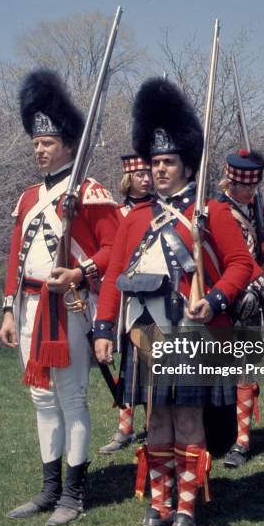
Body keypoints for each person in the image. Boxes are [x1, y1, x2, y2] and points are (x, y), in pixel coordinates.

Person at [93, 77, 258, 526]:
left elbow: (242, 265)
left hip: (189, 330)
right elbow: (111, 278)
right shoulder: (135, 218)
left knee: (188, 421)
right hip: (144, 333)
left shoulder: (211, 213)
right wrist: (105, 328)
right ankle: (157, 507)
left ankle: (186, 511)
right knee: (156, 423)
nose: (159, 170)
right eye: (154, 162)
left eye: (167, 162)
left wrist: (218, 299)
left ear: (187, 165)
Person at [0, 69, 118, 526]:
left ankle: (74, 493)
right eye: (35, 143)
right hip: (29, 310)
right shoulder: (28, 197)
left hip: (68, 308)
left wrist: (80, 271)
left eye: (47, 143)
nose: (39, 150)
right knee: (42, 401)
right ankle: (48, 490)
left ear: (68, 144)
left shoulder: (90, 192)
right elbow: (15, 258)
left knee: (71, 399)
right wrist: (9, 309)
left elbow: (113, 250)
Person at [217, 148, 264, 467]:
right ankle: (218, 433)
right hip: (222, 301)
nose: (251, 191)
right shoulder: (217, 211)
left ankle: (242, 440)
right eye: (246, 186)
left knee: (245, 371)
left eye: (254, 186)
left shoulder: (256, 209)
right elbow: (237, 257)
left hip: (250, 301)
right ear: (231, 182)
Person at [99, 153, 152, 454]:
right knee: (127, 362)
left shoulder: (160, 210)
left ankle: (152, 423)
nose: (146, 179)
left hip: (151, 298)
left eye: (149, 173)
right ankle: (125, 427)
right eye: (140, 174)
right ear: (128, 178)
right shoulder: (116, 214)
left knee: (150, 362)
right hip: (122, 297)